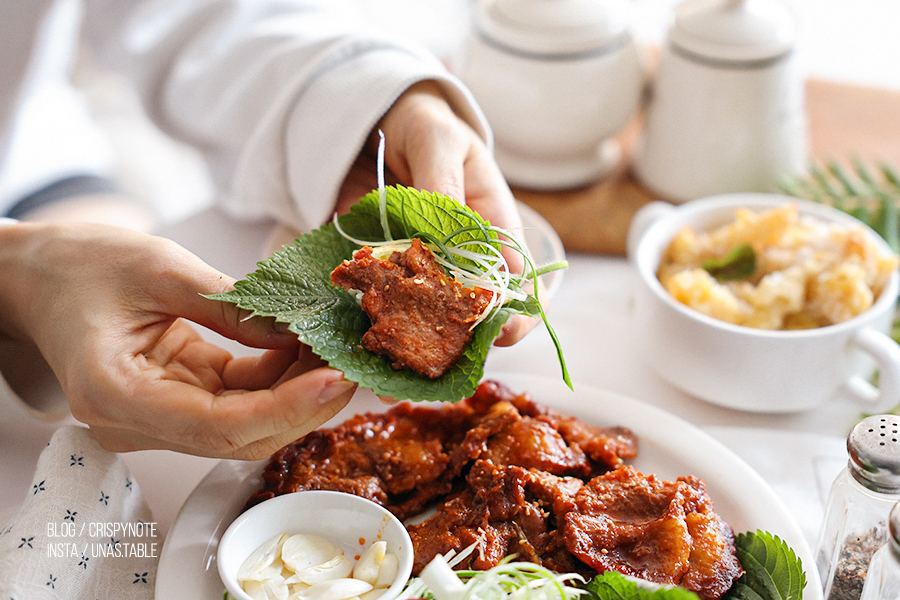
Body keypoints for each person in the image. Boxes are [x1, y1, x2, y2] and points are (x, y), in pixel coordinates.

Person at [0, 0, 537, 458]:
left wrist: (369, 102)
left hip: (35, 157)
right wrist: (14, 278)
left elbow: (195, 16)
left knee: (136, 278)